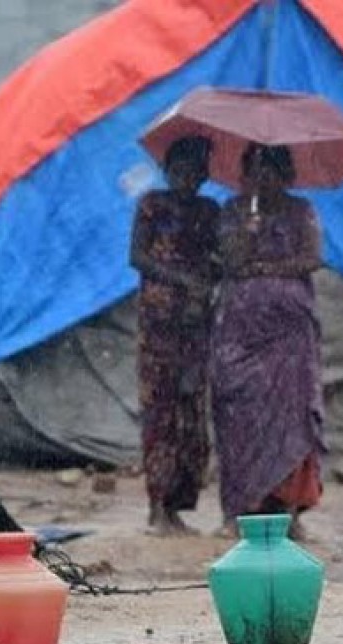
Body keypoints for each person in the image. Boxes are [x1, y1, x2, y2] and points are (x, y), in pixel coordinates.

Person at [211, 143, 325, 541]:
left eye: (275, 172)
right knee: (239, 414)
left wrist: (267, 266)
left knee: (291, 419)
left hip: (289, 335)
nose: (266, 181)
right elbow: (228, 261)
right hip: (241, 330)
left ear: (288, 177)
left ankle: (289, 511)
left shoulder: (301, 211)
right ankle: (240, 509)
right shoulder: (233, 212)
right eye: (258, 172)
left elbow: (312, 258)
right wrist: (248, 231)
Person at [130, 136, 220, 536]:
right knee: (160, 415)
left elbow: (218, 259)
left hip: (196, 324)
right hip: (159, 326)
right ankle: (156, 506)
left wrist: (210, 277)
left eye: (194, 172)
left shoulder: (209, 211)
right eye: (179, 171)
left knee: (190, 416)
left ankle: (178, 505)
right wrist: (182, 278)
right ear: (168, 171)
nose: (186, 179)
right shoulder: (151, 206)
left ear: (204, 175)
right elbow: (138, 256)